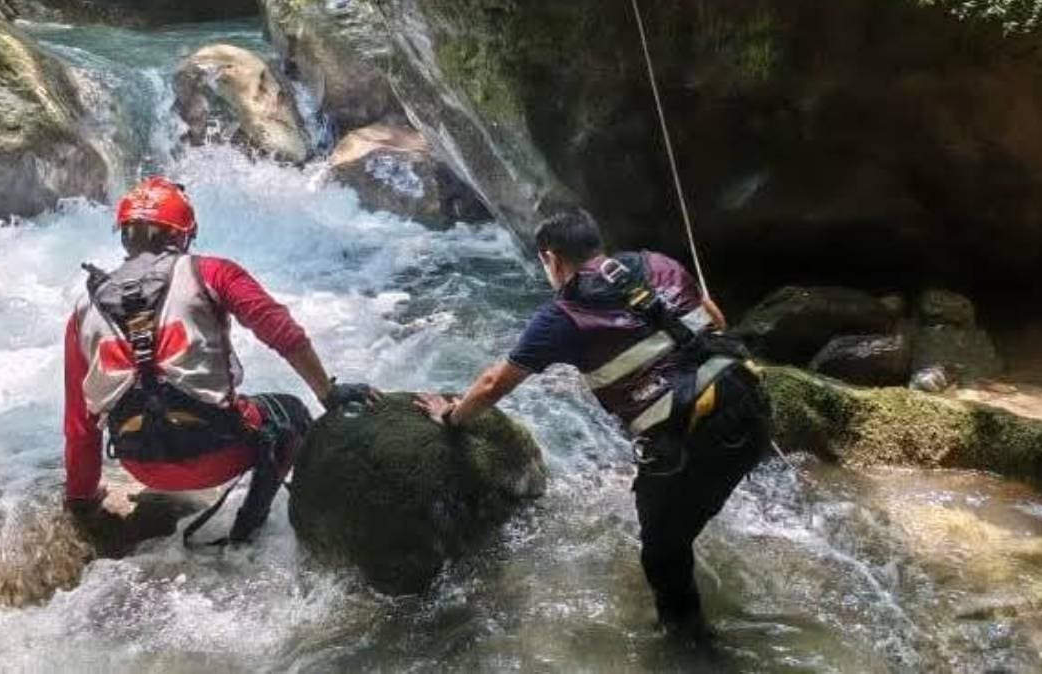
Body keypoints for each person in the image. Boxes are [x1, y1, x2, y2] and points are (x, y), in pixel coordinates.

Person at [415, 208, 770, 635]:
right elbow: (714, 318)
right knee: (682, 512)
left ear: (551, 259)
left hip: (696, 436)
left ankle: (690, 647)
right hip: (750, 403)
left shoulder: (562, 317)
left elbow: (493, 384)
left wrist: (451, 418)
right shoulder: (657, 263)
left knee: (661, 554)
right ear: (595, 242)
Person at [63, 176, 375, 545]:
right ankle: (248, 532)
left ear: (125, 236)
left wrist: (81, 499)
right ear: (182, 236)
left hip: (141, 463)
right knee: (290, 413)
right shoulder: (212, 273)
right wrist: (328, 393)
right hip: (219, 451)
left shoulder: (83, 309)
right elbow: (280, 330)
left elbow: (80, 423)